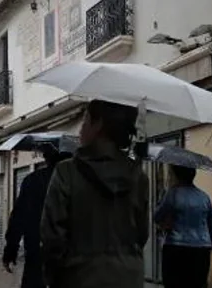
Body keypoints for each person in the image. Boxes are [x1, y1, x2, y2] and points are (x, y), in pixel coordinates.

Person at [40, 99, 149, 288]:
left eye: (84, 122)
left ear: (98, 125)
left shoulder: (67, 172)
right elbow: (142, 234)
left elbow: (52, 237)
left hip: (78, 278)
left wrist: (53, 277)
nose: (80, 130)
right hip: (129, 278)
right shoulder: (138, 175)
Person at [3, 146, 73, 288]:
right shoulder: (76, 183)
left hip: (37, 254)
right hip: (69, 258)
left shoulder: (32, 181)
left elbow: (18, 218)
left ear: (46, 158)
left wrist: (11, 250)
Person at [154, 165, 212, 288]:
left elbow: (157, 217)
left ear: (177, 176)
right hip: (202, 249)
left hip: (176, 247)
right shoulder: (204, 196)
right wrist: (209, 243)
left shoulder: (172, 194)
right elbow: (211, 224)